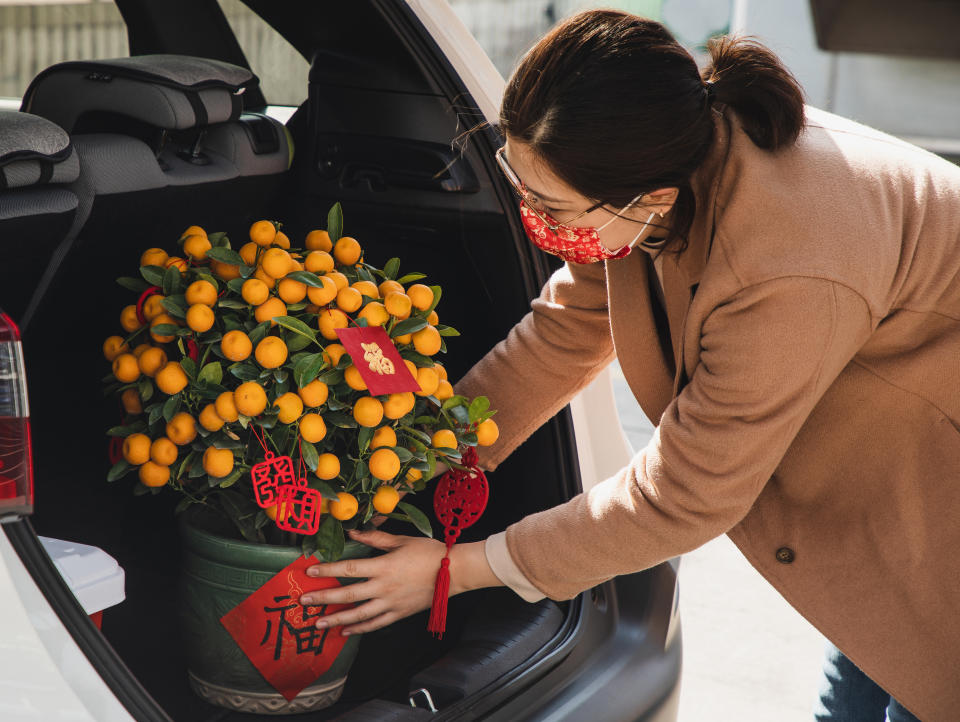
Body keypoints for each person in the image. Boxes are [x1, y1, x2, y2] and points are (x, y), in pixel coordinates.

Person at [300, 10, 960, 720]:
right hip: (895, 482)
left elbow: (682, 495)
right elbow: (560, 338)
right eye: (520, 189)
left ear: (653, 201)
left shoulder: (785, 266)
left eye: (551, 207)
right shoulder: (659, 170)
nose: (536, 223)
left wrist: (457, 571)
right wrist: (406, 461)